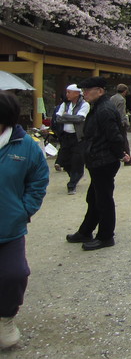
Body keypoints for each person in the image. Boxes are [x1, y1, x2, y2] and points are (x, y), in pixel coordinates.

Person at [0, 91, 49, 350]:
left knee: (14, 274)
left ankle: (5, 318)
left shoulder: (25, 144)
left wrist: (24, 210)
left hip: (9, 225)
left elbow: (39, 179)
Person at [65, 76, 123, 251]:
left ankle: (106, 236)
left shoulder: (104, 109)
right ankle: (86, 230)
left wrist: (118, 155)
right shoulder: (98, 107)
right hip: (97, 158)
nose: (85, 94)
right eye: (83, 91)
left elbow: (115, 136)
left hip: (103, 160)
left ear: (100, 91)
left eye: (88, 91)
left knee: (103, 199)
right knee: (94, 197)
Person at [54, 83, 89, 194]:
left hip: (78, 137)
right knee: (66, 161)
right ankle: (74, 176)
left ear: (76, 93)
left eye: (69, 92)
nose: (67, 94)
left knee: (77, 160)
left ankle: (72, 184)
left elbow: (80, 118)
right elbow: (58, 118)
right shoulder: (65, 104)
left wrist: (65, 116)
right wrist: (68, 118)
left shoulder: (84, 104)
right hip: (66, 136)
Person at [110, 84, 131, 166]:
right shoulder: (121, 100)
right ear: (124, 91)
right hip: (120, 123)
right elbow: (121, 113)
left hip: (112, 121)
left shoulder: (112, 98)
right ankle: (128, 159)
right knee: (124, 141)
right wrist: (125, 122)